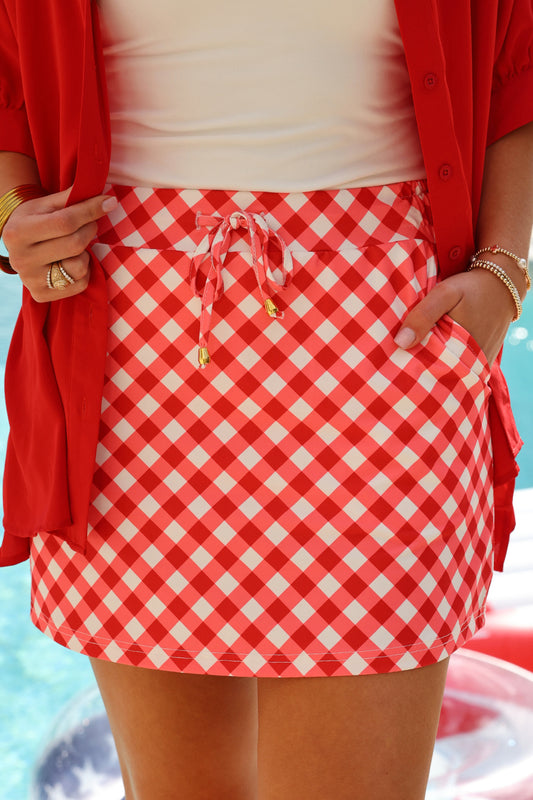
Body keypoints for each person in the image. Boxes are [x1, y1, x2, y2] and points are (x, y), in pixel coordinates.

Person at [0, 1, 532, 798]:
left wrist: (501, 270)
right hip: (127, 351)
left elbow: (515, 66)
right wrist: (10, 209)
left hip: (386, 341)